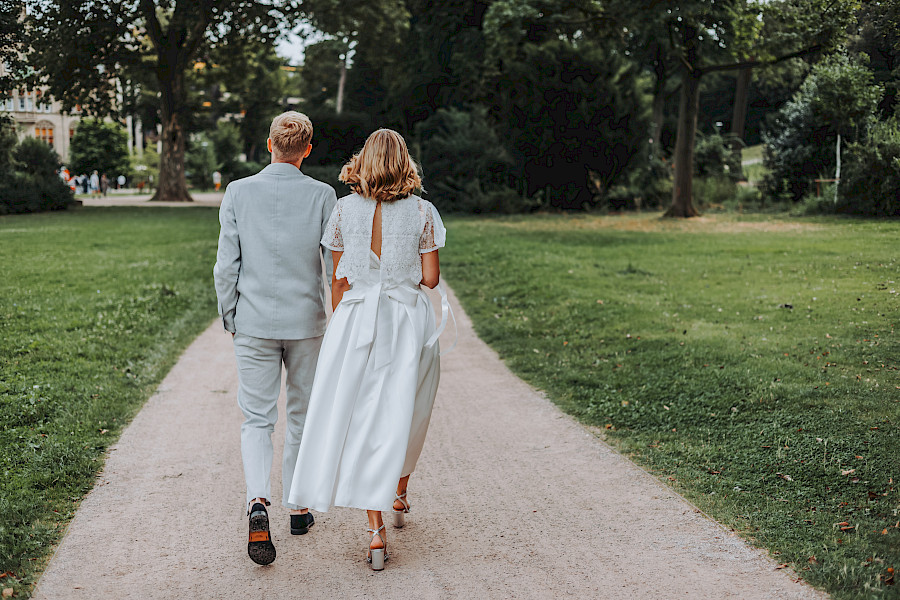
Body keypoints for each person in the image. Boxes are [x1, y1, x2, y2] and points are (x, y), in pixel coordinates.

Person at [288, 129, 452, 571]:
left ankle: (376, 532)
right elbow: (431, 279)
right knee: (408, 409)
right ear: (404, 163)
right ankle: (399, 489)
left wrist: (345, 321)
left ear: (363, 162)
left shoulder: (344, 209)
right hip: (405, 322)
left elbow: (338, 279)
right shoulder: (422, 211)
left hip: (356, 321)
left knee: (362, 417)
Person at [213, 111, 336, 566]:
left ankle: (257, 501)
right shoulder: (323, 195)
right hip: (306, 323)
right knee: (302, 414)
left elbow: (226, 264)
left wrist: (230, 314)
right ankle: (298, 508)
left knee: (257, 418)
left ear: (269, 145)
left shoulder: (238, 192)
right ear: (308, 150)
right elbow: (333, 266)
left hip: (254, 321)